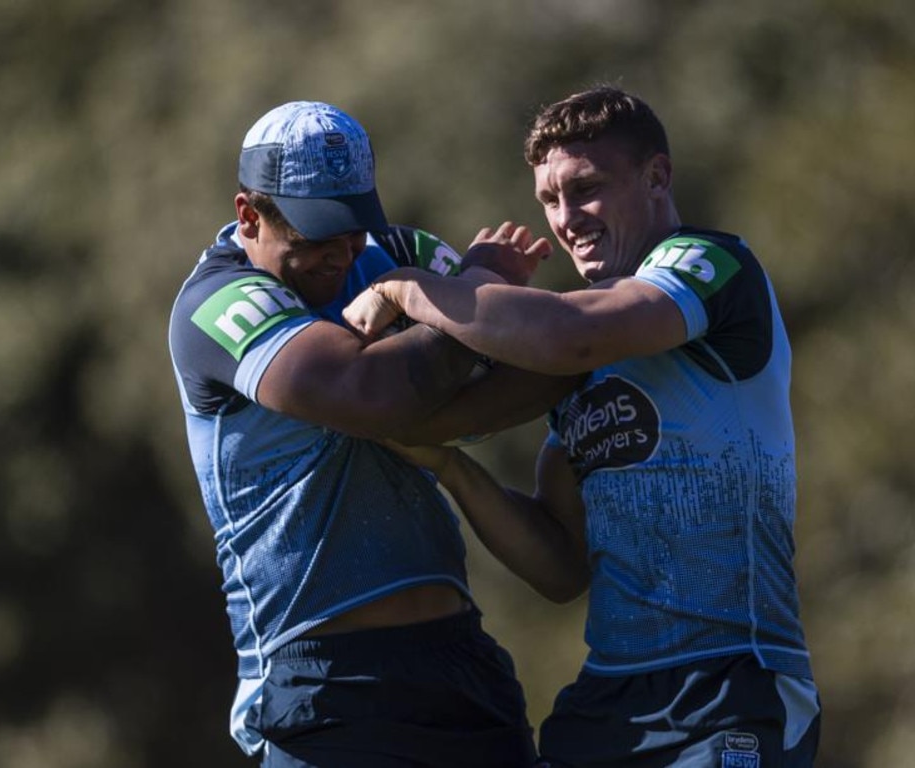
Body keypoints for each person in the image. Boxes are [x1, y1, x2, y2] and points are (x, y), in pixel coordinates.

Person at [343, 86, 821, 767]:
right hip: (609, 705)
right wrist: (451, 466)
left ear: (657, 177)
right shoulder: (571, 366)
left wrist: (409, 288)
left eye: (587, 188)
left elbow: (573, 333)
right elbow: (563, 567)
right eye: (548, 199)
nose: (567, 219)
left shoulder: (711, 268)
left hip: (730, 687)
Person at [167, 100, 568, 768]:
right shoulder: (216, 305)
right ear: (248, 216)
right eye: (318, 233)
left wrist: (438, 349)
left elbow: (541, 367)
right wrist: (472, 292)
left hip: (459, 662)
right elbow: (366, 392)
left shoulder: (399, 253)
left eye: (353, 228)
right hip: (326, 683)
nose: (345, 252)